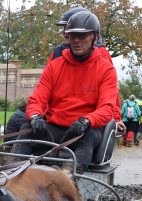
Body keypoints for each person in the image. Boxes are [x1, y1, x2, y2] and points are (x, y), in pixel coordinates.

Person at [25, 11, 118, 172]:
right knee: (26, 130)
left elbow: (107, 108)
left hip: (85, 130)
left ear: (95, 38)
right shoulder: (55, 66)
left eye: (82, 36)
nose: (76, 40)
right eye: (72, 35)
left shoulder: (106, 69)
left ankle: (69, 181)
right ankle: (12, 177)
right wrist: (35, 116)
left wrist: (86, 121)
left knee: (87, 138)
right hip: (56, 126)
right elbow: (37, 99)